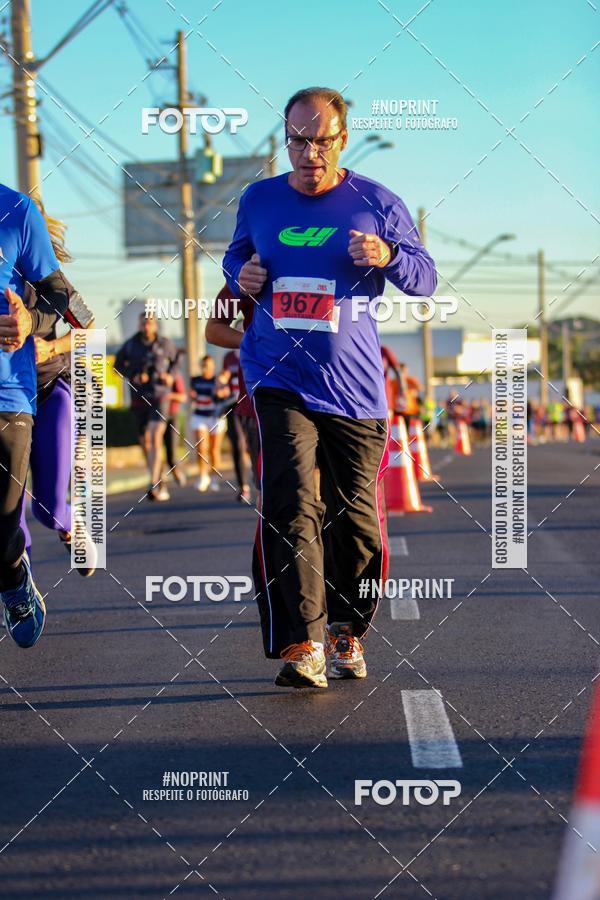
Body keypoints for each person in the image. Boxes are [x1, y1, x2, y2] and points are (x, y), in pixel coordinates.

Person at [223, 86, 436, 689]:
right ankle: (302, 642)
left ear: (342, 140)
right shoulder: (259, 199)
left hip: (353, 389)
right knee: (289, 503)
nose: (308, 152)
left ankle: (347, 630)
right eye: (297, 140)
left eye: (321, 141)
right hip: (277, 374)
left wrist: (388, 253)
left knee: (357, 522)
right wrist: (241, 273)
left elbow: (424, 279)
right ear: (284, 139)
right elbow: (234, 259)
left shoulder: (377, 201)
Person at [0, 181, 72, 648]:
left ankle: (16, 568)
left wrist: (32, 326)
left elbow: (65, 303)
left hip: (26, 388)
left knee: (30, 506)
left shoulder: (16, 213)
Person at [20, 205, 97, 576]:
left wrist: (51, 348)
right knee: (8, 513)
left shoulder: (53, 282)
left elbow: (92, 330)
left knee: (47, 508)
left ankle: (70, 527)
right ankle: (20, 595)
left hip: (50, 392)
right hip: (8, 404)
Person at [114, 313, 178, 502]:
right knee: (146, 442)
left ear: (156, 325)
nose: (146, 326)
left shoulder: (166, 344)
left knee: (155, 434)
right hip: (139, 397)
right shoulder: (131, 344)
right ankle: (158, 478)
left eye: (150, 322)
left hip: (160, 395)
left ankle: (153, 482)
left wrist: (170, 375)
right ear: (139, 325)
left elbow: (176, 362)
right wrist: (133, 375)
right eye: (143, 323)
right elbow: (117, 366)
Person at [206, 284, 260, 504]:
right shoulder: (230, 358)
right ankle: (244, 486)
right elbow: (212, 329)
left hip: (314, 401)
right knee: (239, 445)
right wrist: (221, 385)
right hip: (242, 404)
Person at [189, 354, 230, 492]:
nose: (205, 368)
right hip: (199, 416)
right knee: (201, 447)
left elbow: (226, 393)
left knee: (214, 449)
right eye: (203, 365)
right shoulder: (195, 380)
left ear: (213, 366)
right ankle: (202, 475)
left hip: (216, 417)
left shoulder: (217, 380)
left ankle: (214, 478)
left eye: (208, 365)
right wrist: (191, 396)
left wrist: (221, 391)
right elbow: (191, 395)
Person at [163, 351, 187, 486]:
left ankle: (176, 470)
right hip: (155, 416)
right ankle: (159, 483)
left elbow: (183, 397)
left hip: (171, 415)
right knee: (154, 448)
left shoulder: (175, 376)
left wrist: (168, 395)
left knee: (171, 450)